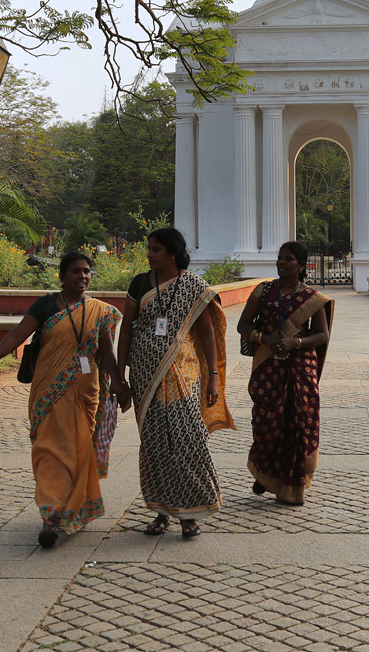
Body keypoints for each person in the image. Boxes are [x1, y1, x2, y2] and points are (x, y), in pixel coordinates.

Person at [0, 251, 124, 548]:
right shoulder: (46, 305)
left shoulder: (99, 311)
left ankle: (71, 509)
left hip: (86, 391)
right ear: (62, 277)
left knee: (80, 450)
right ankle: (49, 517)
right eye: (76, 271)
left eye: (86, 271)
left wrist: (119, 384)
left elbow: (106, 352)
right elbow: (18, 334)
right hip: (48, 391)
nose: (82, 276)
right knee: (49, 449)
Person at [117, 226, 234, 539]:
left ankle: (189, 514)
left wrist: (212, 379)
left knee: (186, 441)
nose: (149, 254)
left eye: (155, 249)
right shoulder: (141, 283)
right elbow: (126, 329)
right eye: (149, 248)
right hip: (143, 374)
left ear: (171, 253)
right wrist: (119, 376)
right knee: (154, 445)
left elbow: (207, 332)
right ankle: (161, 512)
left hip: (182, 374)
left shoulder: (193, 286)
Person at [236, 241, 333, 506]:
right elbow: (242, 325)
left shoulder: (312, 297)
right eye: (279, 258)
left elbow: (322, 334)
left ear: (301, 266)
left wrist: (296, 343)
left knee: (299, 423)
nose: (281, 262)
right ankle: (265, 471)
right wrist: (263, 338)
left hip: (300, 368)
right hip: (268, 367)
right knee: (267, 423)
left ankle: (291, 487)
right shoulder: (263, 291)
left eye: (288, 259)